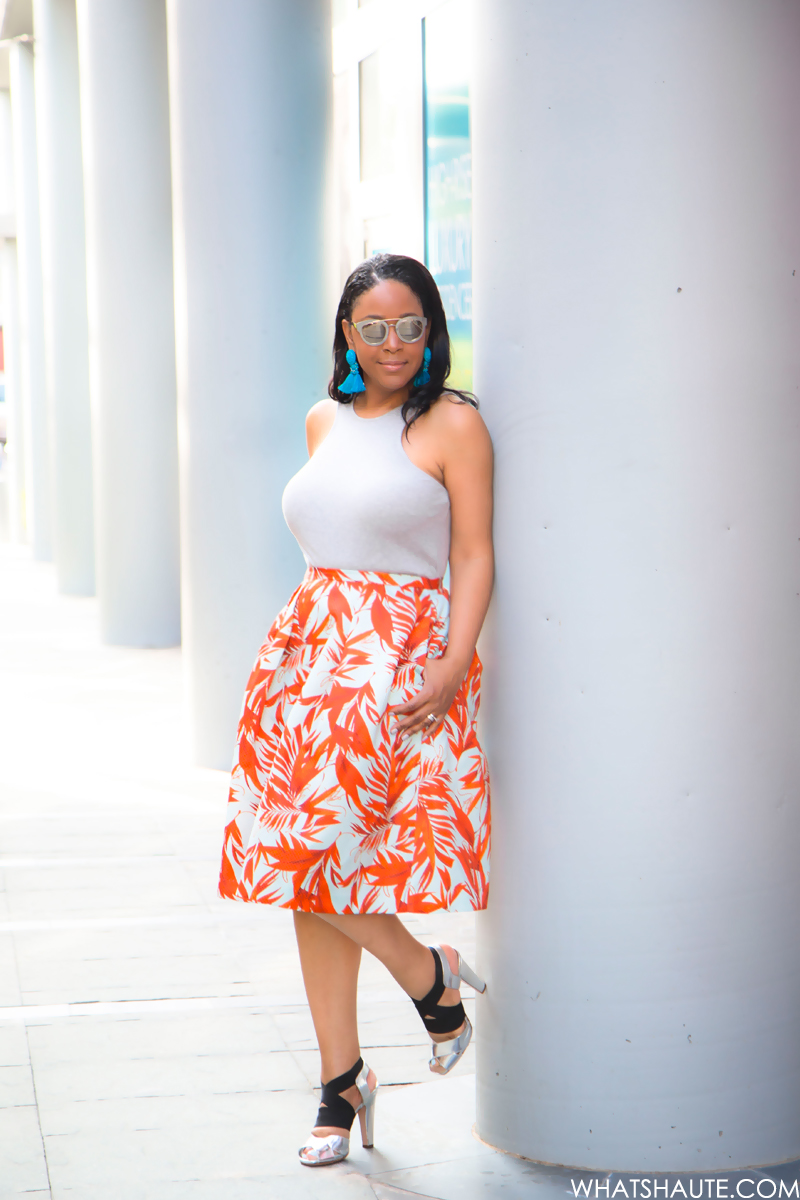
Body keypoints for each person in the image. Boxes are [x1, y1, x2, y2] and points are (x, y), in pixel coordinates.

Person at [219, 253, 493, 1167]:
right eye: (372, 328)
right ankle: (349, 1074)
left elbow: (474, 554)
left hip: (394, 664)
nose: (391, 345)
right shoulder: (322, 419)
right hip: (305, 664)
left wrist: (455, 663)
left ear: (432, 330)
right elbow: (325, 532)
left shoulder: (453, 424)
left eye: (409, 327)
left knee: (327, 861)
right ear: (346, 333)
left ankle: (427, 982)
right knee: (298, 869)